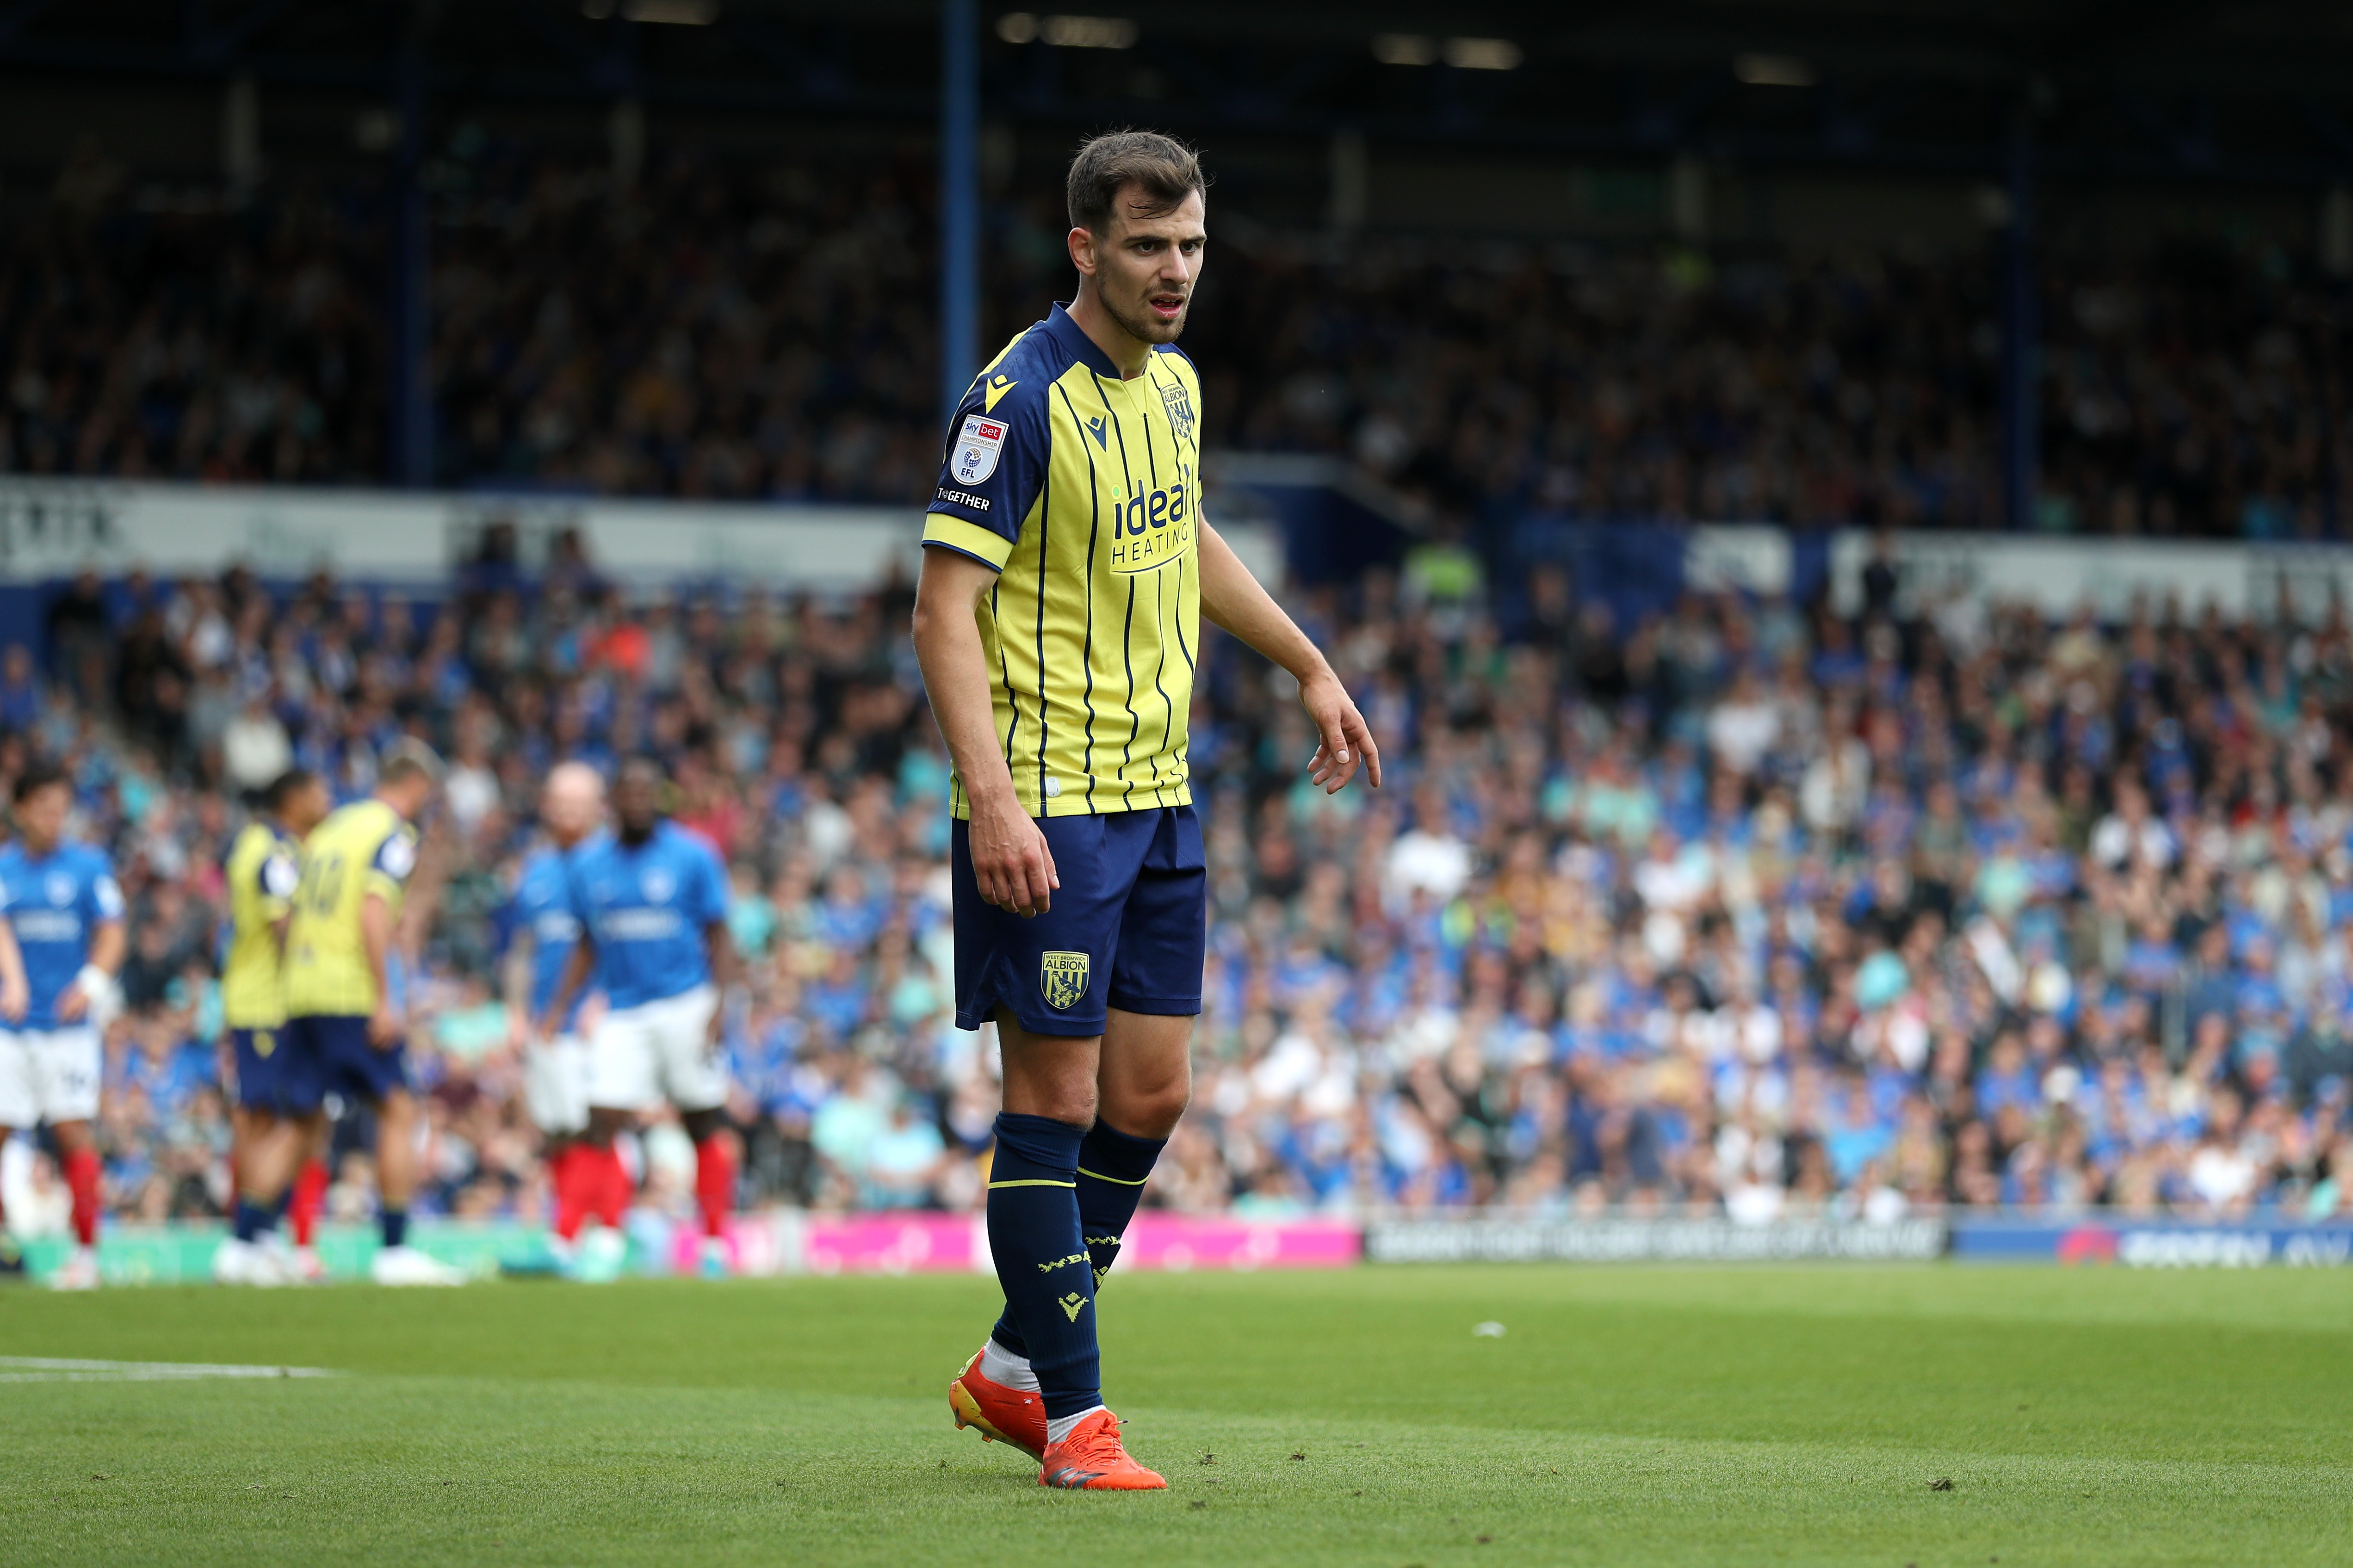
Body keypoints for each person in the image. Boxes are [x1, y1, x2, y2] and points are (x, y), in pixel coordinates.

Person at [912, 130, 1380, 1491]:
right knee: (1048, 1105)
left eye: (1190, 246)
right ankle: (1074, 1420)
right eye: (1146, 246)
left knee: (1153, 1091)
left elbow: (1189, 542)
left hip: (1159, 797)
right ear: (1085, 248)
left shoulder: (1170, 386)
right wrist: (990, 800)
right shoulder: (1013, 398)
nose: (1175, 271)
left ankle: (1008, 1365)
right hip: (1046, 809)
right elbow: (946, 611)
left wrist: (1304, 660)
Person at [247, 741, 466, 1286]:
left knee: (300, 1121)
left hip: (302, 987)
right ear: (417, 784)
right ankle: (394, 1250)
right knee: (397, 1110)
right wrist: (384, 997)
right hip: (348, 990)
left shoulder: (334, 827)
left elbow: (297, 907)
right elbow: (374, 913)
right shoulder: (391, 834)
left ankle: (244, 1243)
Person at [537, 757, 740, 1278]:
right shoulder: (591, 864)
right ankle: (571, 1243)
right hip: (624, 1009)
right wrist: (559, 1005)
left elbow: (719, 933)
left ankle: (715, 1243)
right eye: (627, 794)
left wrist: (720, 1004)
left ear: (660, 800)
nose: (636, 803)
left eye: (646, 794)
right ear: (614, 802)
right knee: (599, 1117)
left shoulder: (692, 856)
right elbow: (587, 940)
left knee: (700, 1121)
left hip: (684, 1003)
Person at [0, 763, 127, 1290]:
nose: (55, 818)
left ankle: (86, 1254)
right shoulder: (6, 864)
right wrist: (14, 981)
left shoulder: (88, 865)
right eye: (45, 807)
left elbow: (114, 931)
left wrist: (92, 983)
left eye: (61, 808)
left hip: (68, 1028)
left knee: (74, 1132)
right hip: (12, 1028)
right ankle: (7, 1251)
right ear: (22, 810)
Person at [211, 766, 331, 1286]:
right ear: (295, 798)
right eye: (319, 789)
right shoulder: (273, 851)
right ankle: (248, 1240)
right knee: (269, 1125)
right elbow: (286, 927)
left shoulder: (266, 845)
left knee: (290, 1123)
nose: (327, 798)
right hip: (269, 1006)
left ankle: (261, 1237)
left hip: (265, 1003)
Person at [504, 761, 625, 1275]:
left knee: (594, 1128)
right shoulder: (535, 868)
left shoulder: (614, 863)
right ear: (548, 805)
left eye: (580, 801)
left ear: (599, 807)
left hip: (594, 1019)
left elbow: (625, 939)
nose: (569, 810)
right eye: (561, 800)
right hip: (545, 1022)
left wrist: (609, 999)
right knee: (558, 1131)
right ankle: (571, 1238)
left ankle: (597, 1239)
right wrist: (514, 1010)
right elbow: (521, 947)